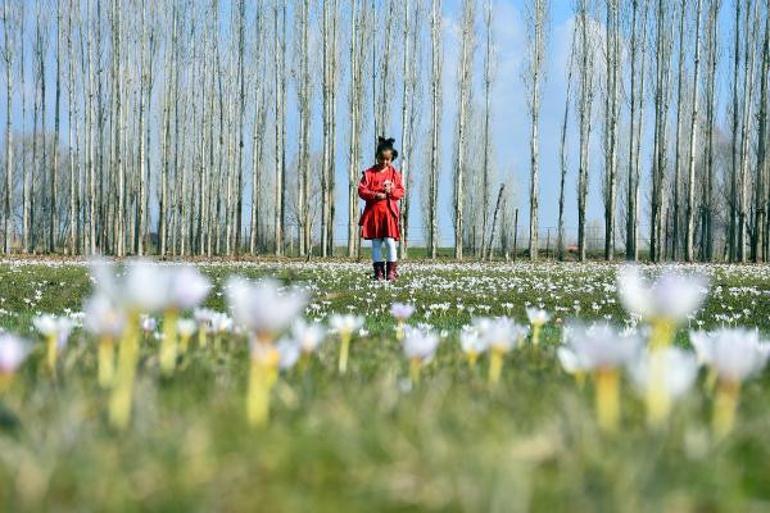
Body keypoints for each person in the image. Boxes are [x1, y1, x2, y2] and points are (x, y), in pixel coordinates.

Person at [358, 137, 405, 282]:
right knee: (376, 244)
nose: (384, 162)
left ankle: (391, 272)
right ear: (377, 156)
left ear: (391, 158)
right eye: (382, 158)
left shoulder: (394, 174)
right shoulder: (369, 173)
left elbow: (401, 192)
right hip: (374, 214)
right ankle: (378, 273)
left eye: (388, 159)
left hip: (389, 214)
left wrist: (391, 191)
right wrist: (374, 195)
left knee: (390, 242)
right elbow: (361, 190)